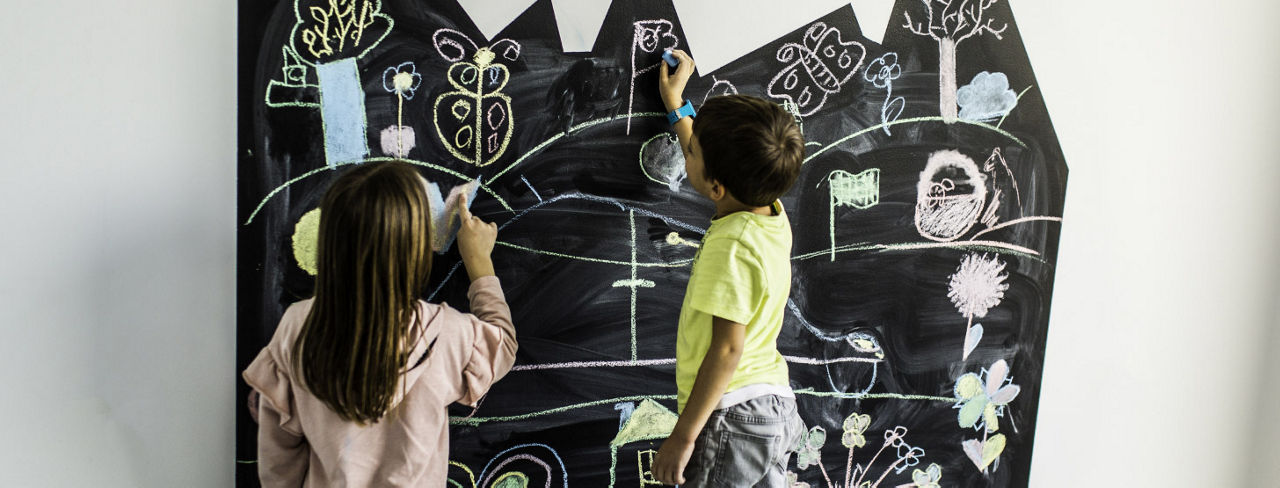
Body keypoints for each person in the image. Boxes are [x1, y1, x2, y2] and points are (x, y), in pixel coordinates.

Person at [242, 161, 516, 486]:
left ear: (330, 241)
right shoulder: (447, 335)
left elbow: (279, 461)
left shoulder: (298, 326)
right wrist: (478, 261)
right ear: (414, 248)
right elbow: (503, 346)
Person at [651, 50, 807, 487]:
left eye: (693, 150)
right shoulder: (768, 211)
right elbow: (710, 164)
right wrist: (676, 103)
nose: (688, 150)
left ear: (718, 186)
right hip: (770, 403)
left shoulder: (732, 246)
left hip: (732, 416)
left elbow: (726, 350)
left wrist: (683, 436)